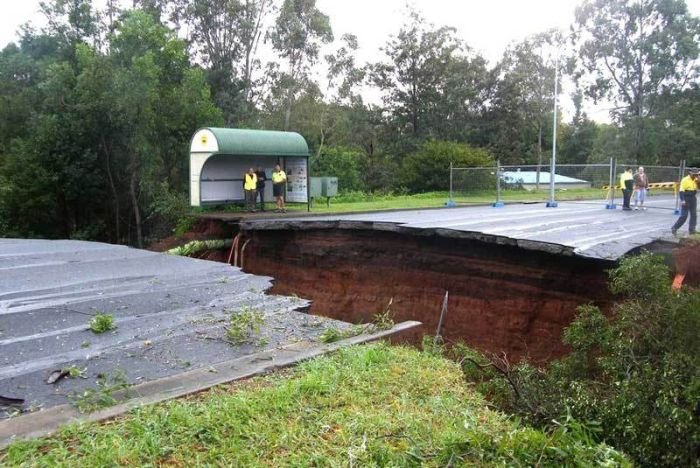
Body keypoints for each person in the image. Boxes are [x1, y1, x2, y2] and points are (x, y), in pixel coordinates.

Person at [672, 169, 698, 236]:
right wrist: (682, 200)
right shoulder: (685, 179)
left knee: (694, 215)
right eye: (694, 174)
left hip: (693, 197)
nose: (695, 175)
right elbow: (681, 191)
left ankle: (692, 230)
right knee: (684, 216)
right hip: (686, 197)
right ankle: (674, 228)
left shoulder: (696, 179)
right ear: (690, 173)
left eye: (696, 174)